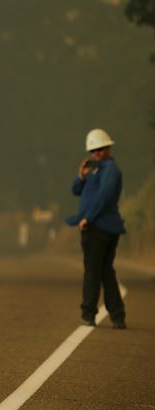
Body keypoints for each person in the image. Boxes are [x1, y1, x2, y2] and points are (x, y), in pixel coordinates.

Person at [66, 128, 127, 329]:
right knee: (105, 272)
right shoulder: (95, 170)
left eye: (100, 149)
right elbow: (76, 190)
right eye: (93, 150)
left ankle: (88, 313)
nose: (97, 153)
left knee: (92, 272)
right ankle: (117, 315)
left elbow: (105, 196)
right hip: (97, 227)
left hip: (99, 228)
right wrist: (81, 176)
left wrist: (88, 219)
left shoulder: (110, 169)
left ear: (108, 147)